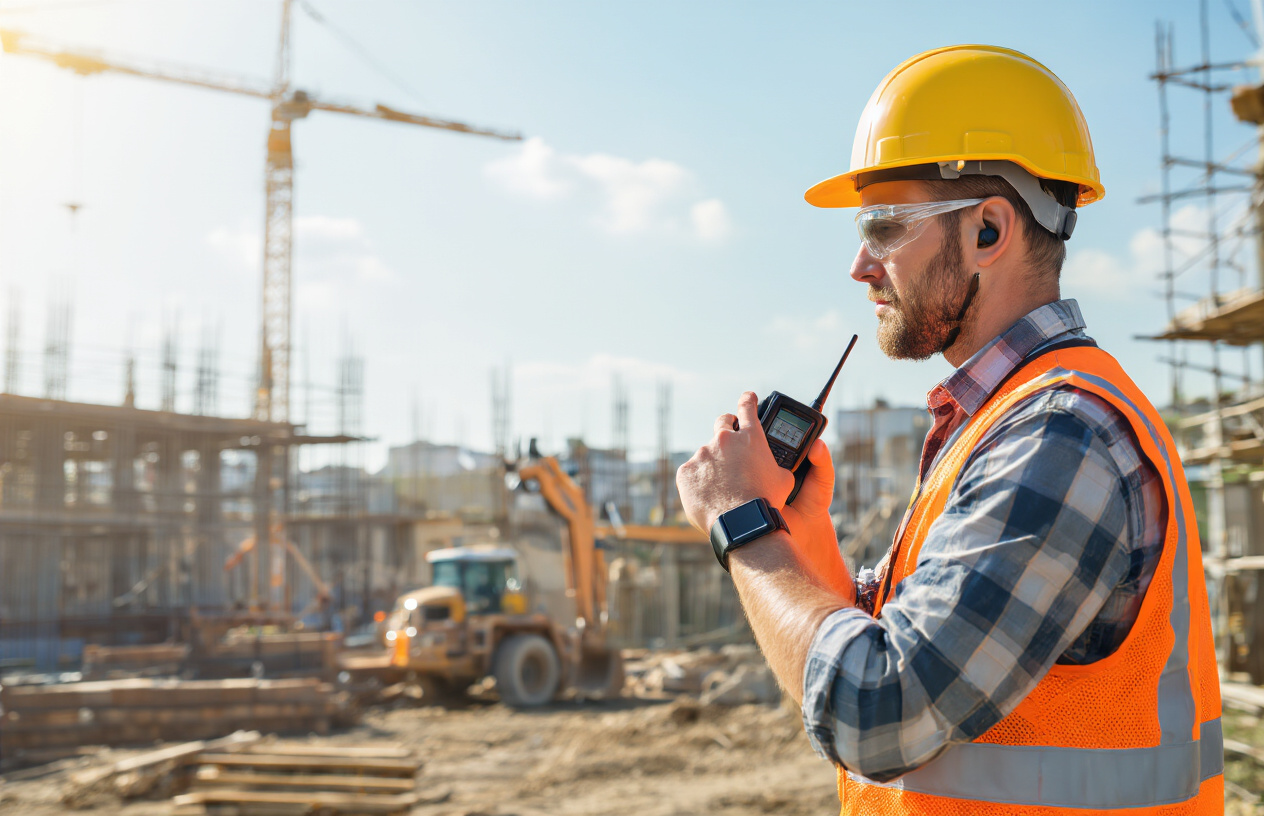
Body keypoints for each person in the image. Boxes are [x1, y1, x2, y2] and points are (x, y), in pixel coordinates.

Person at [676, 45, 1223, 814]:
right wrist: (809, 540)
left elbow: (879, 710)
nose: (861, 266)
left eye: (885, 226)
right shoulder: (1001, 423)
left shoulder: (1061, 437)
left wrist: (744, 526)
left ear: (989, 232)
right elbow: (918, 648)